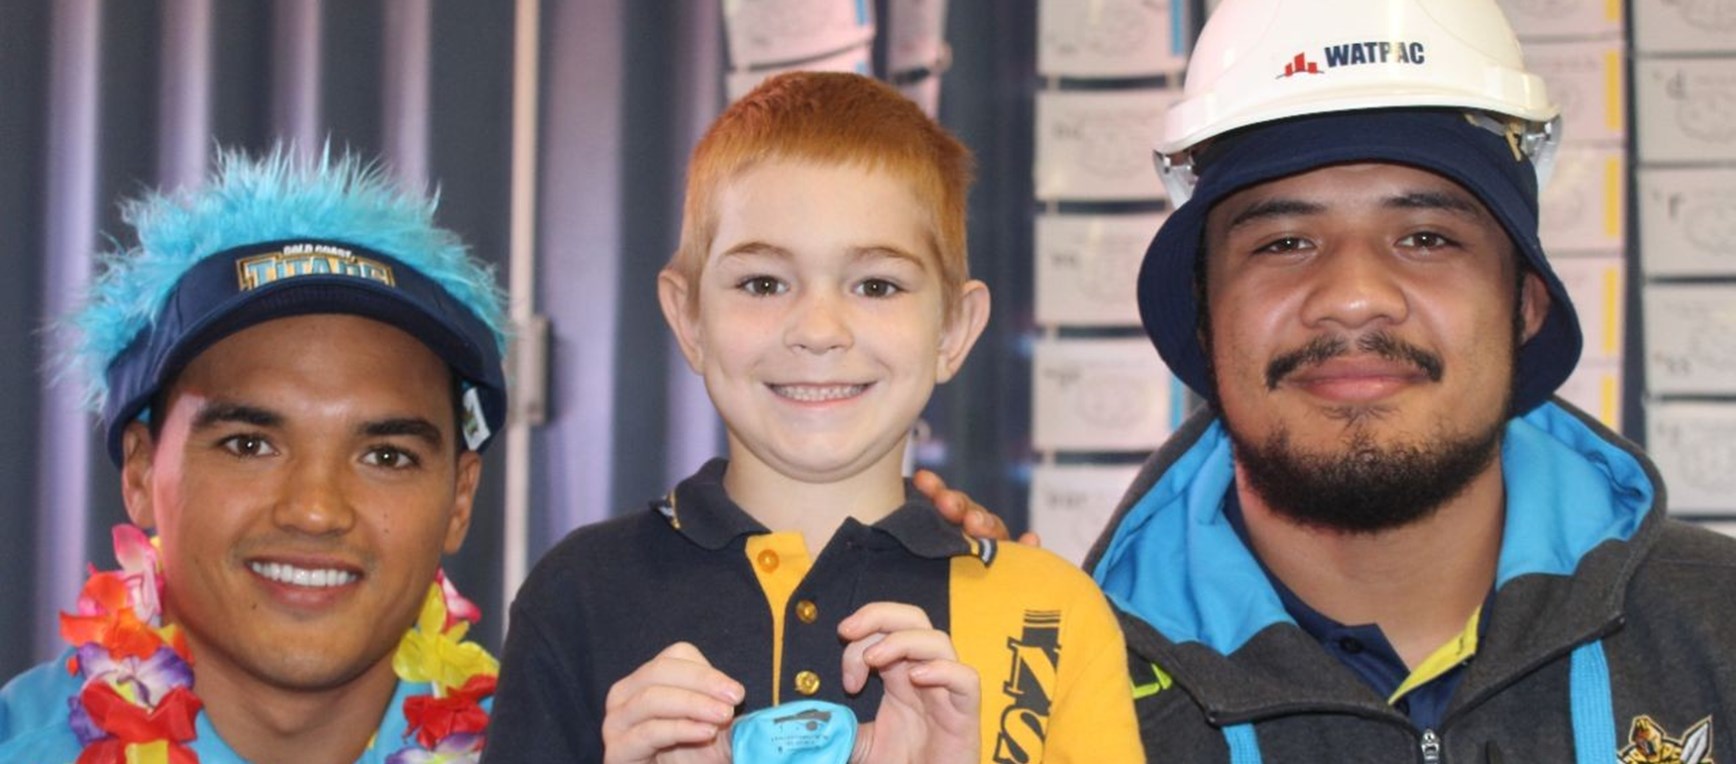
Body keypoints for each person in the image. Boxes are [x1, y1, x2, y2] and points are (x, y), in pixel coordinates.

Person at [934, 0, 1736, 760]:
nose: (1353, 297)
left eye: (1426, 237)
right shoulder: (1052, 701)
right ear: (1204, 315)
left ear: (1525, 303)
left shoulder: (1717, 628)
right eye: (1283, 243)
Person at [483, 72, 1143, 763]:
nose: (819, 330)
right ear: (689, 317)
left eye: (876, 285)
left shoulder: (1050, 613)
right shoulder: (578, 594)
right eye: (764, 283)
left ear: (953, 328)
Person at [0, 147, 510, 763]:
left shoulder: (545, 747)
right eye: (250, 445)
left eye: (386, 456)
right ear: (139, 471)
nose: (316, 512)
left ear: (460, 499)